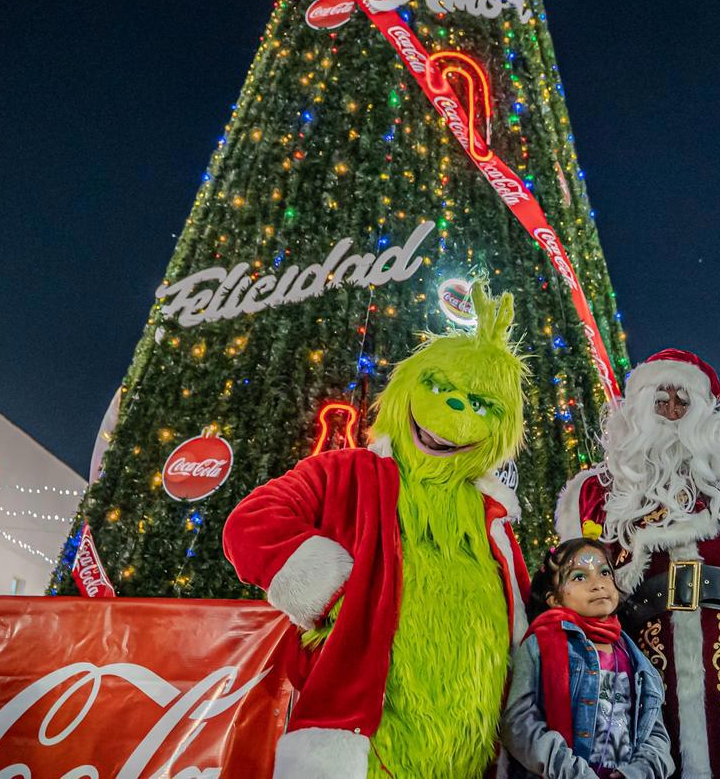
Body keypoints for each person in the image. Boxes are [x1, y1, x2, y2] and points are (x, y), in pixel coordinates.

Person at [223, 285, 531, 779]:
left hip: (474, 752)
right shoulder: (350, 473)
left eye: (480, 404)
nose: (456, 410)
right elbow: (253, 522)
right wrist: (332, 587)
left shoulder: (490, 515)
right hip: (365, 742)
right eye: (441, 389)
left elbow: (523, 615)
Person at [555, 349, 720, 779]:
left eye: (683, 402)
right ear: (639, 410)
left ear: (707, 411)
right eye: (660, 401)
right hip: (639, 691)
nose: (672, 412)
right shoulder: (599, 494)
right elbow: (573, 594)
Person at [502, 537, 675, 779]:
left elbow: (654, 733)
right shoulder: (539, 645)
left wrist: (637, 772)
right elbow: (518, 724)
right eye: (579, 577)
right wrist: (572, 772)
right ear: (554, 599)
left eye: (604, 573)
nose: (598, 585)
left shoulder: (634, 656)